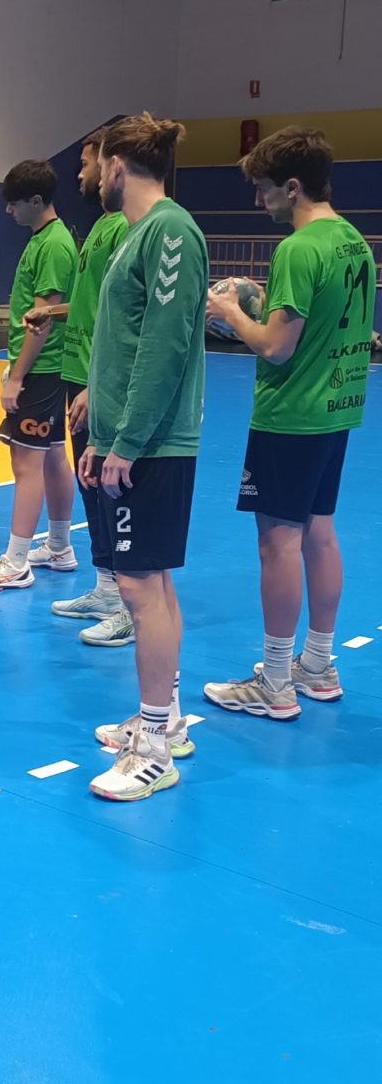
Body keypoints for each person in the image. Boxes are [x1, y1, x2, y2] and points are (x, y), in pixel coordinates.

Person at [203, 127, 375, 720]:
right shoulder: (352, 241)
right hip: (335, 409)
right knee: (320, 532)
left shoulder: (298, 249)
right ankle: (317, 665)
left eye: (264, 189)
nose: (260, 201)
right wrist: (258, 302)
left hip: (290, 415)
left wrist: (230, 311)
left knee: (278, 542)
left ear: (293, 186)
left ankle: (275, 681)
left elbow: (276, 347)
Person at [79, 115, 208, 803]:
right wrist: (101, 434)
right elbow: (122, 346)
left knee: (139, 589)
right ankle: (165, 718)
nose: (95, 176)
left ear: (119, 164)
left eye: (98, 163)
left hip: (155, 443)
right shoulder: (136, 234)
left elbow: (165, 343)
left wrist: (127, 441)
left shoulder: (170, 230)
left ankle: (155, 748)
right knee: (150, 582)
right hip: (129, 438)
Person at [23, 132, 133, 646]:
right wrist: (55, 311)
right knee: (91, 483)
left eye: (87, 163)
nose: (80, 173)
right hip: (78, 373)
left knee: (111, 487)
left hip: (98, 380)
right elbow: (93, 302)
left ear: (112, 164)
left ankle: (128, 599)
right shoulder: (99, 227)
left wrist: (94, 381)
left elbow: (122, 312)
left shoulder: (125, 229)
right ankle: (106, 587)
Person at [0, 160, 78, 591]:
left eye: (14, 203)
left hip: (43, 369)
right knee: (52, 455)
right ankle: (59, 547)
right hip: (45, 368)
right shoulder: (44, 240)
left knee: (25, 462)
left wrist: (17, 376)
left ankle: (15, 563)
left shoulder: (54, 246)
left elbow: (42, 319)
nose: (8, 211)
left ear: (36, 200)